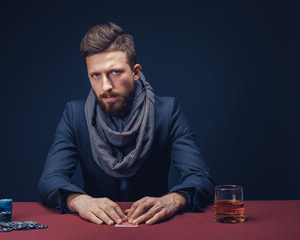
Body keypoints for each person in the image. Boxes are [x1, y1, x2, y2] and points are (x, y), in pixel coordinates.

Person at [38, 22, 214, 226]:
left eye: (115, 72)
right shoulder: (74, 114)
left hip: (154, 228)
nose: (106, 86)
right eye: (96, 75)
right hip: (96, 230)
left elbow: (201, 178)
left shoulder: (168, 111)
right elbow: (49, 180)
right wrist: (80, 201)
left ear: (136, 72)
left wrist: (171, 201)